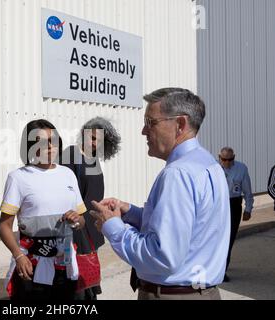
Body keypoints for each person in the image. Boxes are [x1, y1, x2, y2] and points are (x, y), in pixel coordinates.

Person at [90, 88, 230, 300]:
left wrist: (113, 227)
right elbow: (191, 228)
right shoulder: (207, 163)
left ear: (180, 125)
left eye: (150, 122)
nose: (143, 131)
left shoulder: (178, 174)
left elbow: (162, 256)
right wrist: (131, 213)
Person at [0, 119, 86, 301]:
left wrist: (76, 220)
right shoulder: (18, 178)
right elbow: (4, 226)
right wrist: (18, 256)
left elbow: (82, 221)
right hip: (32, 266)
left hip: (66, 265)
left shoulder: (68, 174)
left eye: (53, 140)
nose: (50, 147)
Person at [62, 117, 121, 300]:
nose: (93, 142)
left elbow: (94, 193)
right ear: (83, 133)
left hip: (92, 224)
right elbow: (64, 191)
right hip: (77, 225)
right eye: (91, 137)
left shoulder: (93, 159)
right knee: (77, 280)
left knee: (87, 274)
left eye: (98, 140)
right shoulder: (71, 154)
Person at [218, 147, 253, 282]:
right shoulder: (213, 167)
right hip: (217, 205)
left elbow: (247, 191)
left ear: (234, 157)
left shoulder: (241, 168)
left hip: (233, 204)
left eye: (230, 159)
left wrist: (248, 209)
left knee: (229, 238)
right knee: (217, 238)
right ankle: (218, 266)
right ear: (219, 157)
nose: (227, 162)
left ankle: (222, 270)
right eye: (224, 159)